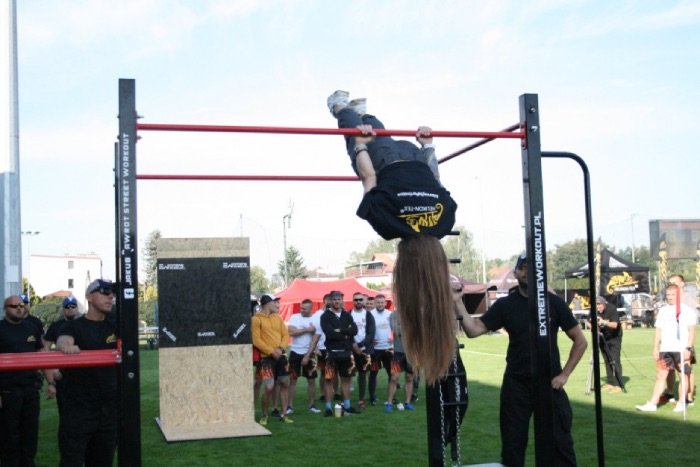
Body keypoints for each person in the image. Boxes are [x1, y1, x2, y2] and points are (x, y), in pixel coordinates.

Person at [328, 91, 459, 386]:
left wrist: (427, 146)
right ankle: (339, 107)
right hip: (385, 161)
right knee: (354, 128)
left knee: (378, 131)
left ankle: (363, 112)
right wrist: (358, 145)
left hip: (413, 156)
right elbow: (368, 179)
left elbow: (435, 180)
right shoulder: (389, 226)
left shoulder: (444, 222)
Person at [458, 255, 587, 467]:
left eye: (534, 267)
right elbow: (473, 330)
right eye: (523, 267)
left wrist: (564, 375)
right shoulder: (506, 305)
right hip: (516, 385)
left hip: (549, 384)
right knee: (513, 445)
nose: (528, 271)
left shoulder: (553, 303)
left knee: (560, 445)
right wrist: (457, 303)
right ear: (516, 273)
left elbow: (580, 341)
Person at [56, 279, 119, 467]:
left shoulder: (115, 325)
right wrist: (67, 347)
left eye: (112, 293)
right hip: (78, 410)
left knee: (102, 461)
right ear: (89, 297)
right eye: (104, 292)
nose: (110, 296)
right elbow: (63, 340)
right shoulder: (74, 326)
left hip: (107, 411)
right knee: (72, 461)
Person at [0, 295, 46, 467]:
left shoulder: (32, 327)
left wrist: (51, 382)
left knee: (30, 433)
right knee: (9, 435)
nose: (19, 308)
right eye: (14, 306)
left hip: (31, 389)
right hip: (7, 391)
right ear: (6, 308)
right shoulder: (0, 329)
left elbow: (41, 354)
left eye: (22, 305)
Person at [636, 283, 697, 413]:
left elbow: (692, 331)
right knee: (660, 375)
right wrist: (655, 348)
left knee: (683, 375)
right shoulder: (663, 311)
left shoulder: (687, 311)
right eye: (668, 295)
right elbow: (658, 330)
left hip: (681, 349)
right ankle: (653, 403)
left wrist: (688, 348)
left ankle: (681, 402)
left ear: (679, 295)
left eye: (673, 294)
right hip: (665, 349)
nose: (670, 297)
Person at [251, 294, 293, 425]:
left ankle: (284, 414)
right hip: (266, 359)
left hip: (281, 356)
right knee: (269, 387)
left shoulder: (278, 317)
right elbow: (256, 340)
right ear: (267, 303)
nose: (277, 305)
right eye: (275, 303)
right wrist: (271, 351)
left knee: (285, 383)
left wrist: (280, 348)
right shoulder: (256, 319)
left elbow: (285, 335)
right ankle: (264, 416)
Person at [320, 290, 359, 416]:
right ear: (330, 301)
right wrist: (345, 334)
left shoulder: (347, 315)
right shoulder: (325, 316)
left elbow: (354, 330)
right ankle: (328, 408)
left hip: (346, 353)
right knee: (329, 380)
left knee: (346, 380)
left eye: (339, 299)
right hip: (331, 353)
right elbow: (329, 333)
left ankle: (347, 406)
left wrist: (340, 330)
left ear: (342, 301)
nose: (337, 301)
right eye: (334, 299)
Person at [661, 274, 697, 405]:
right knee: (669, 369)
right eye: (670, 283)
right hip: (670, 342)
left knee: (686, 369)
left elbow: (691, 324)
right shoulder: (670, 299)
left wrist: (689, 345)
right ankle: (670, 392)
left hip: (685, 341)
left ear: (682, 284)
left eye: (675, 282)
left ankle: (689, 397)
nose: (672, 285)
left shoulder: (687, 300)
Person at [286, 299, 321, 414]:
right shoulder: (295, 317)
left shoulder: (315, 319)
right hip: (295, 352)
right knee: (292, 380)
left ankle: (311, 405)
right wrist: (307, 329)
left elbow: (316, 336)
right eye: (301, 307)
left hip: (310, 353)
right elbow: (291, 332)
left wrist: (307, 355)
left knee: (311, 380)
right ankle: (289, 406)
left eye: (304, 308)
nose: (302, 310)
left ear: (311, 309)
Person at [386, 306, 415, 413]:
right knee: (394, 378)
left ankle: (407, 402)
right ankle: (389, 403)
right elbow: (396, 330)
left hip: (412, 352)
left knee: (409, 377)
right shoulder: (393, 315)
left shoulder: (414, 314)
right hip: (398, 352)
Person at [349, 293, 375, 409]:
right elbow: (346, 332)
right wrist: (354, 345)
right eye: (356, 300)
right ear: (353, 301)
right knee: (347, 375)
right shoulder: (348, 314)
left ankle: (362, 399)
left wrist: (360, 345)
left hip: (365, 349)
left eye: (360, 299)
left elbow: (371, 333)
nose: (358, 301)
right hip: (351, 349)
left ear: (363, 301)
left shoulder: (368, 315)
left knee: (364, 374)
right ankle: (345, 400)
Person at [594, 295, 624, 393]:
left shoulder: (612, 309)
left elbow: (615, 325)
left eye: (599, 306)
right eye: (596, 306)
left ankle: (618, 384)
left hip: (614, 337)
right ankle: (610, 383)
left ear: (604, 304)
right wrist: (594, 327)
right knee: (606, 359)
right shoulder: (594, 310)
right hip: (602, 337)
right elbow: (588, 322)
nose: (598, 308)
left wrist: (603, 322)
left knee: (614, 359)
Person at [368, 294, 393, 406]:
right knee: (373, 374)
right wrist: (370, 340)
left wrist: (393, 338)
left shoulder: (390, 314)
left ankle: (392, 397)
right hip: (375, 350)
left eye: (382, 302)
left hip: (388, 349)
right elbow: (366, 330)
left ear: (385, 303)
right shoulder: (370, 314)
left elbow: (395, 328)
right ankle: (372, 397)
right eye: (378, 302)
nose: (380, 304)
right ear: (374, 303)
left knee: (391, 374)